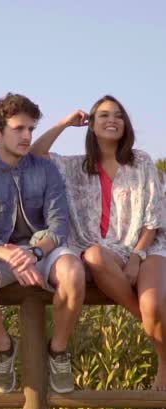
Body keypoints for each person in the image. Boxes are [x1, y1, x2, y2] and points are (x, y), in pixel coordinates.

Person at [31, 95, 166, 391]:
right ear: (91, 125)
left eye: (118, 115)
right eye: (103, 115)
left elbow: (154, 216)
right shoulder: (75, 167)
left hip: (147, 244)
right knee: (92, 256)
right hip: (103, 249)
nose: (112, 120)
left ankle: (163, 358)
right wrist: (66, 123)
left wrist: (136, 257)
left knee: (154, 304)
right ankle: (152, 331)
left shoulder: (140, 161)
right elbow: (35, 152)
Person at [0, 93, 85, 394]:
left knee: (74, 272)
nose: (27, 136)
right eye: (19, 129)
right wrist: (12, 255)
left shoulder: (47, 170)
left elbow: (58, 226)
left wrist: (34, 252)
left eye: (30, 128)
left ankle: (58, 351)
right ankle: (4, 348)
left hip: (44, 250)